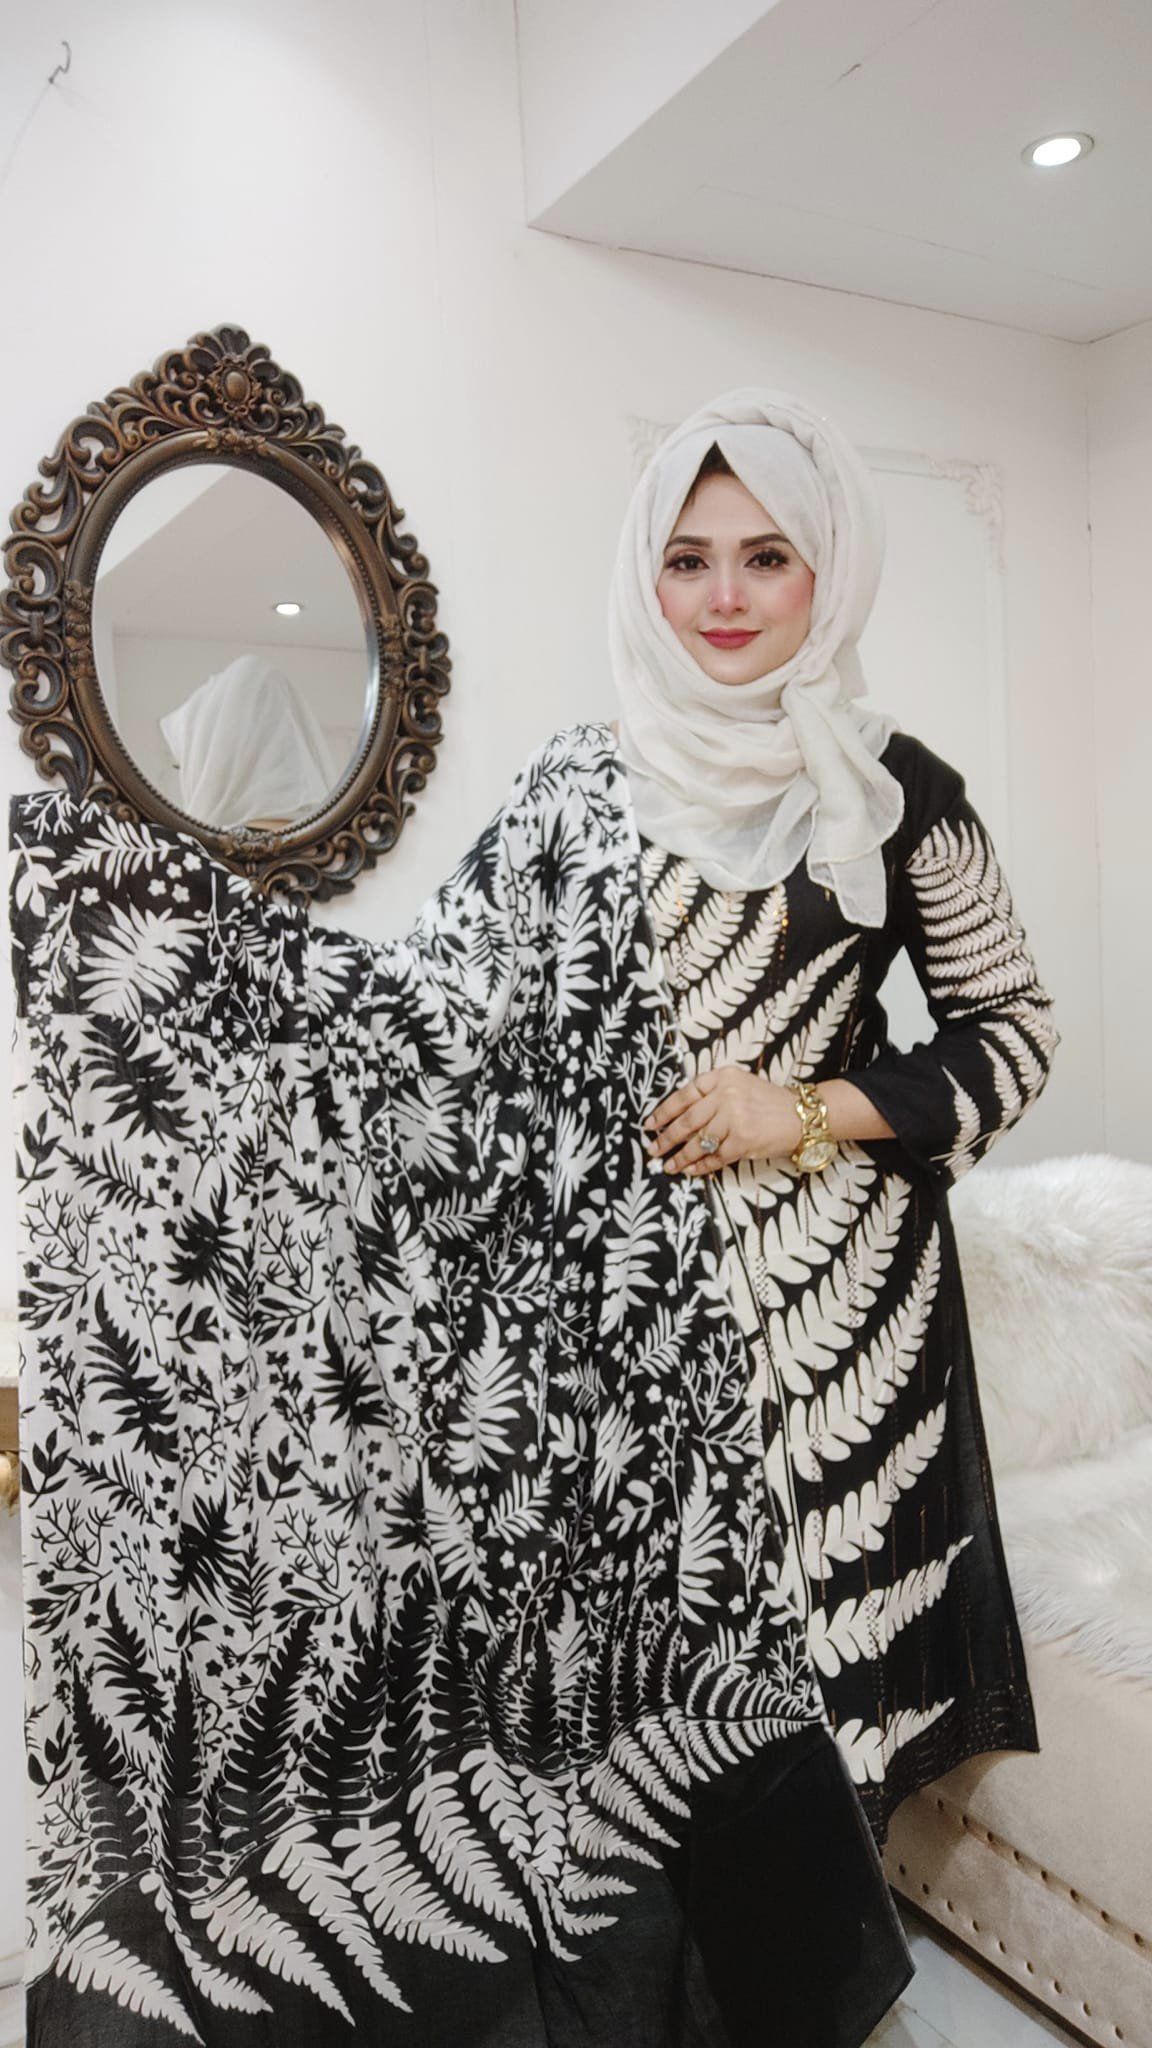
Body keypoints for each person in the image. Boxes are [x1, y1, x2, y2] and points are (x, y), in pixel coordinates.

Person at [606, 385, 1059, 1841]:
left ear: (828, 570)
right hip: (642, 1290)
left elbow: (1013, 1032)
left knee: (822, 1654)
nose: (725, 598)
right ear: (647, 579)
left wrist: (796, 1111)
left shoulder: (896, 786)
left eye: (767, 556)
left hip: (842, 1302)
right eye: (688, 560)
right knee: (655, 1661)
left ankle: (830, 1936)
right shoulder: (589, 787)